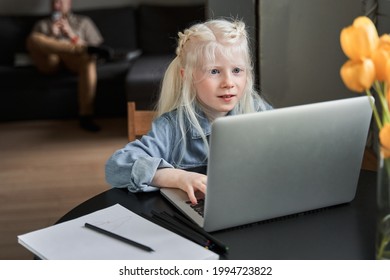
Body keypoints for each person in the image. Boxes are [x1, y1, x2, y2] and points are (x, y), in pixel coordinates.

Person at [105, 18, 272, 204]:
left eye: (237, 70)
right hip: (193, 218)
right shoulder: (172, 127)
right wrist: (178, 177)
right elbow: (116, 166)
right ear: (188, 77)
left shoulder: (257, 110)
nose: (229, 83)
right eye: (214, 71)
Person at [26, 0, 111, 132]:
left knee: (88, 59)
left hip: (74, 61)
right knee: (33, 38)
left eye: (60, 2)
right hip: (50, 61)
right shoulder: (42, 24)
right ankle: (79, 49)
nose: (55, 6)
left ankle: (85, 116)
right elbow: (36, 47)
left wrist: (71, 35)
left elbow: (96, 48)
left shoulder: (83, 21)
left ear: (69, 3)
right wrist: (52, 35)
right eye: (53, 3)